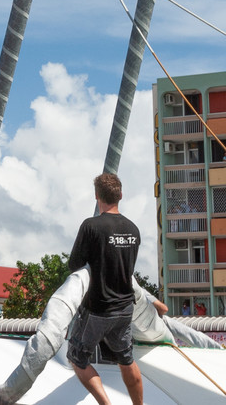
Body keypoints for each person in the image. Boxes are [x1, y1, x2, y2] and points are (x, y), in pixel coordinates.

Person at [66, 173, 144, 405]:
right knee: (126, 359)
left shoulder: (91, 226)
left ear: (97, 196)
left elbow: (74, 264)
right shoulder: (133, 229)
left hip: (99, 309)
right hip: (125, 308)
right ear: (120, 195)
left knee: (76, 358)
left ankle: (106, 404)